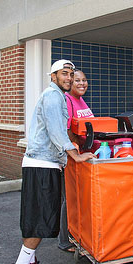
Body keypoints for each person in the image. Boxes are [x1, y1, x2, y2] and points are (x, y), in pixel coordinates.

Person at [12, 60, 96, 264]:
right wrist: (75, 155)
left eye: (71, 74)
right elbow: (56, 130)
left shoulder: (57, 96)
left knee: (37, 216)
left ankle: (28, 262)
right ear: (53, 76)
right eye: (64, 74)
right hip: (41, 164)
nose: (69, 78)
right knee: (40, 216)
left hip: (45, 163)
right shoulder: (52, 96)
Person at [58, 69, 94, 253]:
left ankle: (76, 234)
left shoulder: (80, 100)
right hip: (72, 156)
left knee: (77, 197)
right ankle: (65, 240)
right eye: (77, 80)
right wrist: (74, 148)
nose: (81, 83)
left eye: (84, 80)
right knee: (69, 198)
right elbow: (65, 128)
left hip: (84, 154)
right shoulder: (67, 100)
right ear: (70, 82)